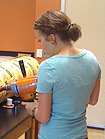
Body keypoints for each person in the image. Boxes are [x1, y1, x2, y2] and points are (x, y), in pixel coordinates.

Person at [22, 10, 101, 139]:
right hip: (81, 135)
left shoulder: (48, 67)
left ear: (52, 38)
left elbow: (43, 117)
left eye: (40, 40)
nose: (41, 46)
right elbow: (93, 100)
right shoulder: (91, 58)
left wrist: (33, 109)